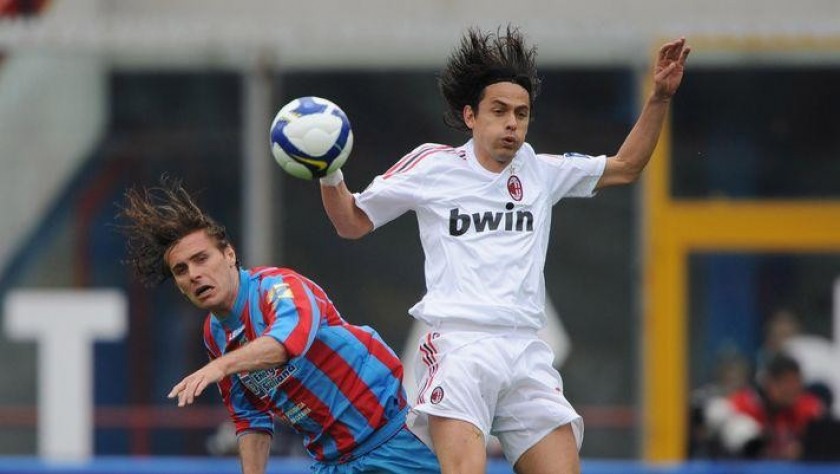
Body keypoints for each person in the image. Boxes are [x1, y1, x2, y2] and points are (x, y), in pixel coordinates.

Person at [318, 25, 690, 473]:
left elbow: (627, 167)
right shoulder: (433, 166)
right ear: (471, 115)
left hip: (526, 352)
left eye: (522, 113)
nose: (513, 123)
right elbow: (351, 222)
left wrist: (660, 98)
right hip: (459, 348)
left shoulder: (542, 170)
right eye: (499, 111)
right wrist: (329, 171)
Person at [117, 176, 440, 474]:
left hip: (397, 441)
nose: (194, 274)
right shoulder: (216, 335)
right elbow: (250, 418)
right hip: (333, 463)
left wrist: (219, 367)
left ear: (229, 254)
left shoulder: (277, 287)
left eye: (202, 259)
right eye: (181, 270)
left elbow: (289, 342)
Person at [705, 353, 825, 460]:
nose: (792, 390)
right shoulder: (744, 404)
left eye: (796, 382)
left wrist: (804, 449)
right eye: (786, 383)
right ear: (769, 382)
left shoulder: (807, 406)